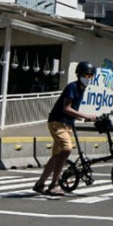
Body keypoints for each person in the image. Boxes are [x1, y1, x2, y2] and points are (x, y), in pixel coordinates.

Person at [35, 61, 99, 196]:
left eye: (90, 76)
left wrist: (78, 119)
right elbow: (66, 108)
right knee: (67, 149)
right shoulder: (72, 87)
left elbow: (72, 111)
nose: (88, 78)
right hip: (57, 123)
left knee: (57, 156)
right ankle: (54, 184)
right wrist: (85, 116)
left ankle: (40, 184)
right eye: (86, 75)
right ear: (79, 74)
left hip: (66, 124)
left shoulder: (82, 89)